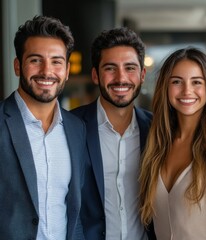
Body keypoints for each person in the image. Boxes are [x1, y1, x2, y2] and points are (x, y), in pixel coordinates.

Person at [139, 47, 206, 239]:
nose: (187, 90)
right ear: (165, 87)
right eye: (177, 82)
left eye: (197, 82)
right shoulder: (157, 146)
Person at [0, 15, 86, 239]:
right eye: (35, 60)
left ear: (67, 70)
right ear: (18, 66)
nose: (47, 71)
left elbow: (74, 212)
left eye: (56, 61)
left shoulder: (77, 129)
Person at [71, 27, 155, 239]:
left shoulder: (157, 129)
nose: (121, 78)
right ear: (95, 75)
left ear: (142, 75)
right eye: (110, 68)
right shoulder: (70, 127)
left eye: (130, 68)